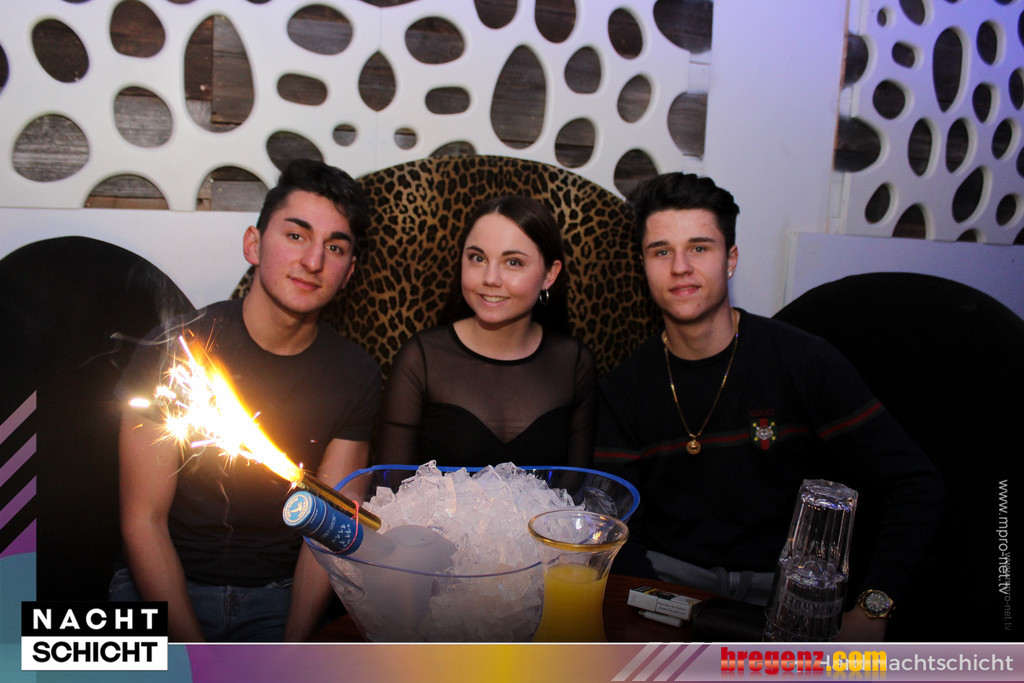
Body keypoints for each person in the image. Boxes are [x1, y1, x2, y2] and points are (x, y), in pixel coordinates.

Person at [594, 172, 943, 641]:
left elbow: (915, 484)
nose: (680, 267)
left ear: (730, 259)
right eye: (662, 251)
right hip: (670, 593)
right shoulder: (623, 388)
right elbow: (614, 522)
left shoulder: (802, 361)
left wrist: (873, 608)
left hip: (787, 596)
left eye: (699, 248)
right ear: (644, 265)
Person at [111, 159, 382, 642]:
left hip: (281, 597)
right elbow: (143, 520)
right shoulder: (178, 350)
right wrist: (196, 657)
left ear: (348, 272)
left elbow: (330, 529)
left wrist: (292, 652)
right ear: (253, 244)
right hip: (161, 584)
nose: (313, 261)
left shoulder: (357, 374)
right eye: (296, 235)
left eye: (334, 247)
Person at [373, 195, 597, 469]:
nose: (490, 278)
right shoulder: (420, 358)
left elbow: (578, 485)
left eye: (513, 262)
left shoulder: (574, 364)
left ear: (550, 274)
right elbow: (390, 483)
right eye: (477, 258)